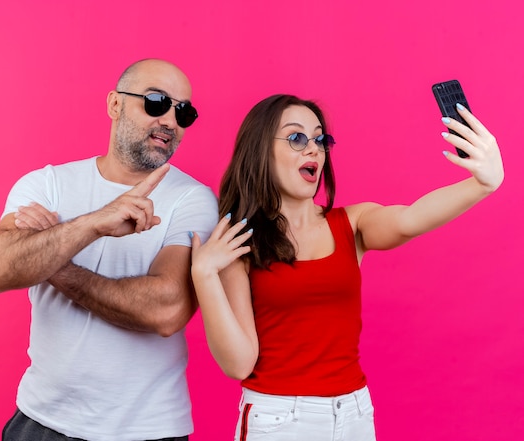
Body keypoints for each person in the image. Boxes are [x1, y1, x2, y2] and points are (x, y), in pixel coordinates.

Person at [189, 94, 504, 440]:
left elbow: (411, 218)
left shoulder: (352, 224)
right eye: (297, 138)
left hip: (353, 414)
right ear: (260, 149)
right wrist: (203, 275)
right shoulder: (241, 243)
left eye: (320, 139)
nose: (314, 150)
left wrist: (481, 184)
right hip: (278, 419)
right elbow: (238, 363)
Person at [0, 59, 218, 441]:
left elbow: (167, 309)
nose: (170, 121)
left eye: (183, 111)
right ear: (115, 104)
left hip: (148, 430)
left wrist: (52, 260)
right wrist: (93, 223)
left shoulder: (193, 199)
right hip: (42, 424)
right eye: (156, 101)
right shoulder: (47, 184)